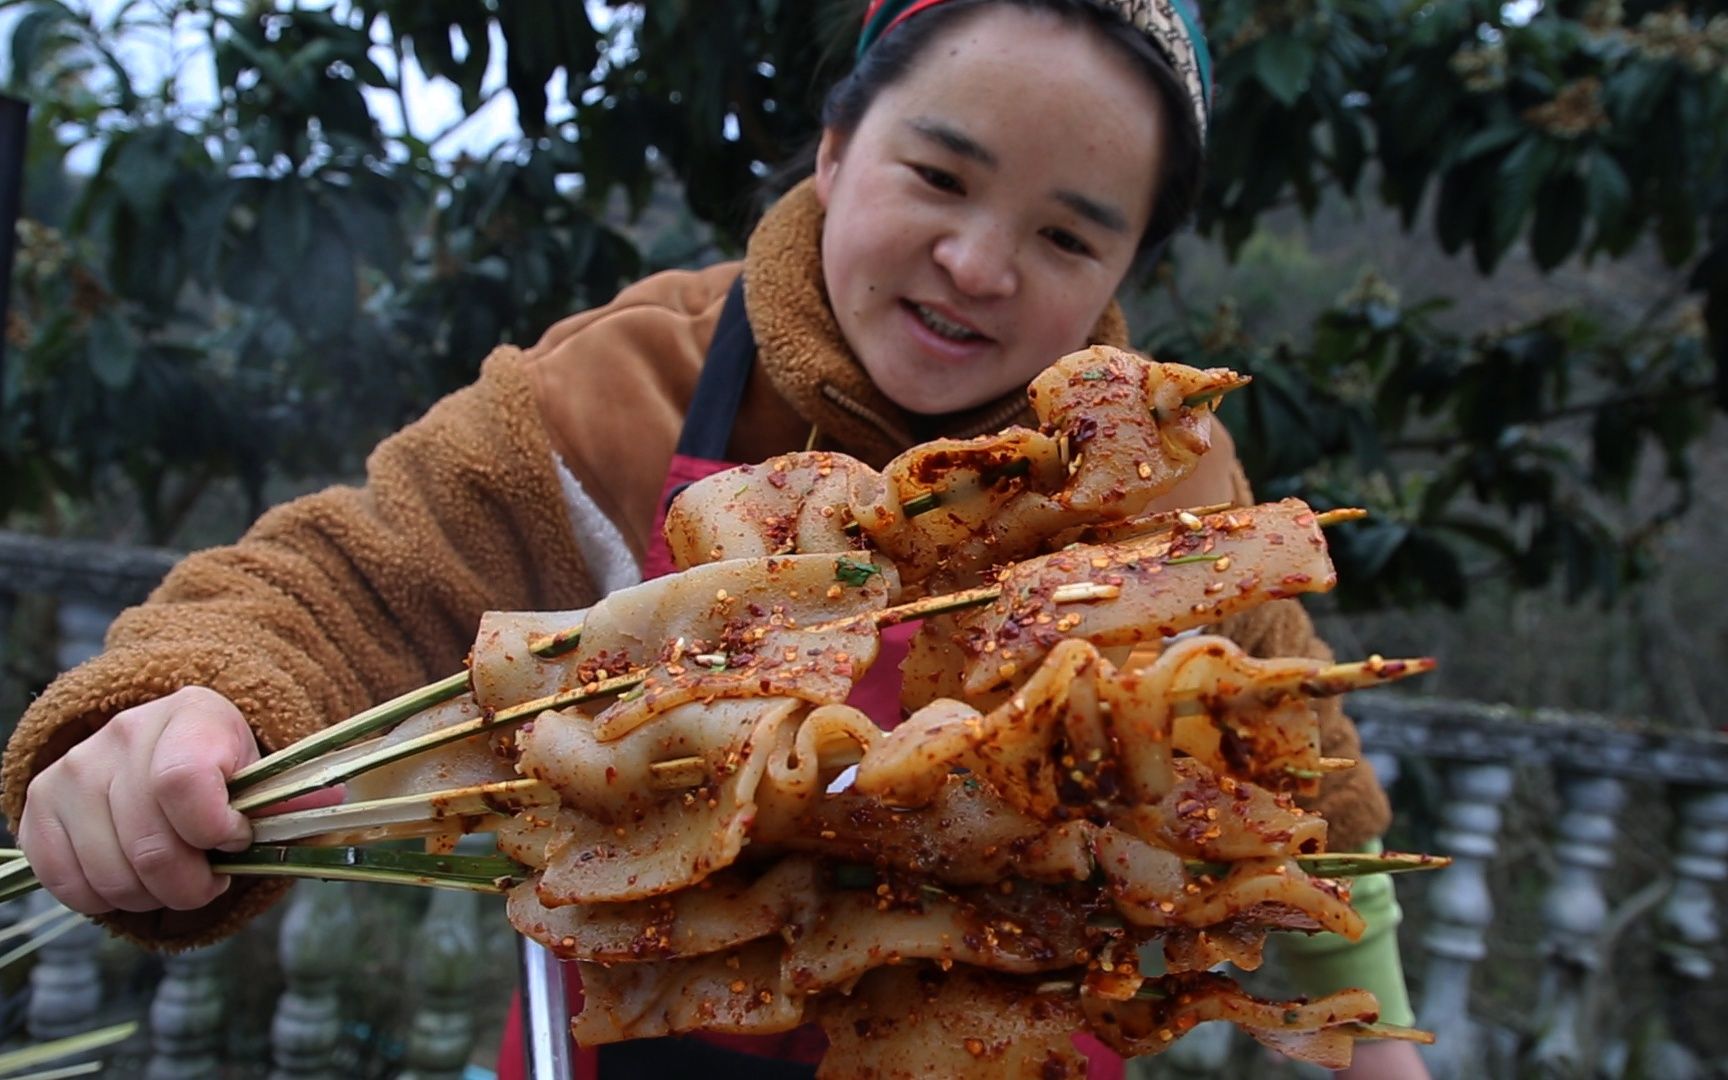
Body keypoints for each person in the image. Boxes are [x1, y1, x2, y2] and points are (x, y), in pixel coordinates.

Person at [3, 1, 1429, 1077]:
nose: (981, 265)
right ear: (832, 148)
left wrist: (1381, 1046)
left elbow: (1304, 781)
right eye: (939, 177)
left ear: (1127, 271)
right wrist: (178, 703)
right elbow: (342, 585)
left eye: (1068, 240)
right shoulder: (616, 390)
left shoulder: (1165, 485)